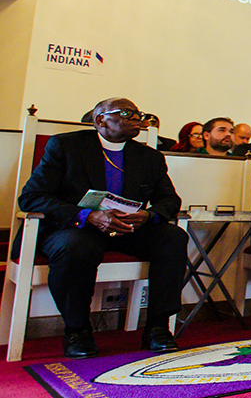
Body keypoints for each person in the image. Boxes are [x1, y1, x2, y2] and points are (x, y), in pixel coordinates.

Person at [17, 98, 186, 357]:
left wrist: (148, 215)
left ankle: (157, 328)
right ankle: (77, 331)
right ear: (100, 120)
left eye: (138, 114)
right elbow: (32, 197)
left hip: (125, 228)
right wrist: (87, 215)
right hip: (75, 227)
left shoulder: (149, 156)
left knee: (173, 237)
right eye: (126, 113)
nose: (136, 118)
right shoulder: (66, 146)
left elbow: (170, 200)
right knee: (76, 246)